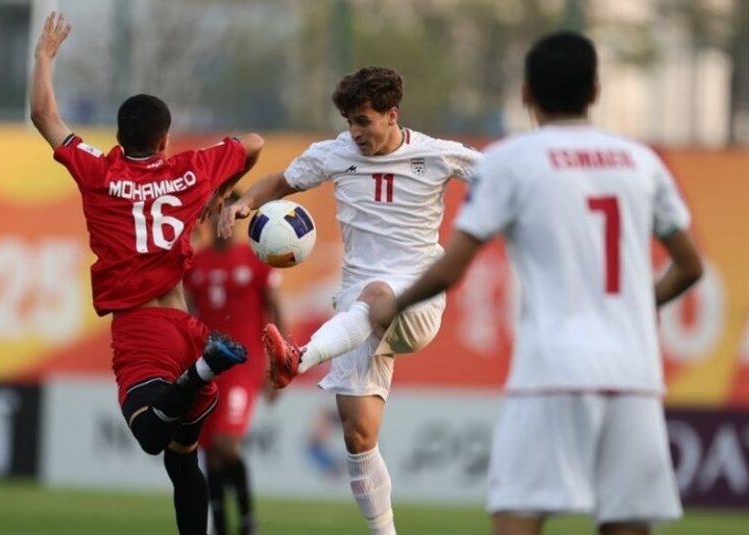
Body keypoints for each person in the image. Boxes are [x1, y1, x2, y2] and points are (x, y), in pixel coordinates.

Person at [369, 32, 703, 535]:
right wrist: (641, 304)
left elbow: (454, 265)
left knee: (518, 519)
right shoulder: (641, 162)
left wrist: (395, 303)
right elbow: (690, 265)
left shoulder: (512, 160)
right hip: (633, 375)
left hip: (552, 371)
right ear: (595, 91)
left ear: (526, 93)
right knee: (627, 524)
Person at [218, 66, 483, 535]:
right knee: (358, 435)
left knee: (378, 294)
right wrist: (245, 204)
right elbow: (279, 182)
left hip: (416, 296)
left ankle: (298, 359)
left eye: (364, 121)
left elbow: (501, 175)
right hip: (356, 306)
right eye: (350, 123)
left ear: (392, 115)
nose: (356, 133)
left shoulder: (438, 156)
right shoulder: (336, 154)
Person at [29, 13, 264, 535]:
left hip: (142, 333)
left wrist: (45, 55)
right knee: (183, 461)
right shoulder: (189, 170)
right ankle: (201, 370)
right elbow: (252, 143)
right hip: (188, 326)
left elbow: (44, 113)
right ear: (164, 140)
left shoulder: (99, 171)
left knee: (150, 435)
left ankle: (203, 371)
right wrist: (224, 192)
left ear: (117, 137)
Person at [185, 195, 284, 535]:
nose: (220, 219)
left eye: (227, 211)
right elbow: (187, 316)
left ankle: (247, 519)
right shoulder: (196, 264)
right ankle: (224, 527)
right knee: (210, 452)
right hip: (208, 365)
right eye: (214, 212)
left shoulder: (256, 259)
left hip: (245, 364)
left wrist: (279, 367)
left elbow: (276, 312)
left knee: (227, 444)